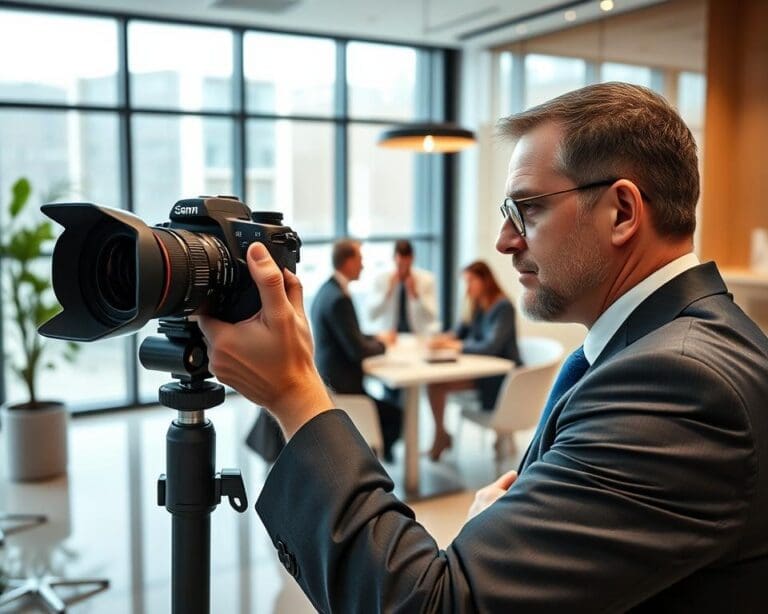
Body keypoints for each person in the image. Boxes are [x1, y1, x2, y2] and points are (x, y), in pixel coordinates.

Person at [198, 82, 768, 611]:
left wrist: (296, 395)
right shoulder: (670, 347)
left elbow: (436, 604)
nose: (504, 240)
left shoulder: (678, 385)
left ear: (621, 212)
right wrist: (512, 532)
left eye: (528, 208)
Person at [308, 239, 402, 462]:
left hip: (331, 379)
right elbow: (356, 349)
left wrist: (375, 337)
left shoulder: (326, 291)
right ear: (348, 262)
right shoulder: (339, 298)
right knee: (397, 415)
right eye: (360, 259)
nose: (363, 265)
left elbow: (348, 334)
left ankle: (370, 454)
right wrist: (383, 345)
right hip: (344, 387)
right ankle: (373, 458)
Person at [425, 260, 521, 461]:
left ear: (485, 280)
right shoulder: (477, 305)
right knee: (435, 384)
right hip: (482, 373)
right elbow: (460, 332)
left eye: (470, 281)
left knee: (437, 385)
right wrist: (443, 340)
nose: (467, 287)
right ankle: (441, 434)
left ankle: (441, 438)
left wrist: (454, 346)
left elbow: (491, 346)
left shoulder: (503, 307)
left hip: (502, 378)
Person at [369, 239, 438, 336]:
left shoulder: (427, 279)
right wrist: (388, 292)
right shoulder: (381, 279)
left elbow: (431, 317)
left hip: (418, 337)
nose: (403, 269)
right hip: (390, 337)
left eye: (407, 264)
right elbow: (371, 315)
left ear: (412, 259)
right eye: (400, 265)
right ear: (394, 259)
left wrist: (416, 295)